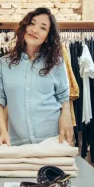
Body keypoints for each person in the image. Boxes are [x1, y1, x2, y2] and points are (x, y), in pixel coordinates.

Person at [0, 8, 73, 146]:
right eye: (32, 23)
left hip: (52, 141)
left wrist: (66, 116)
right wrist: (2, 130)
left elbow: (63, 96)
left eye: (42, 28)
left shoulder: (57, 63)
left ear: (47, 37)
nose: (34, 30)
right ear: (25, 26)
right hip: (17, 143)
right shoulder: (4, 64)